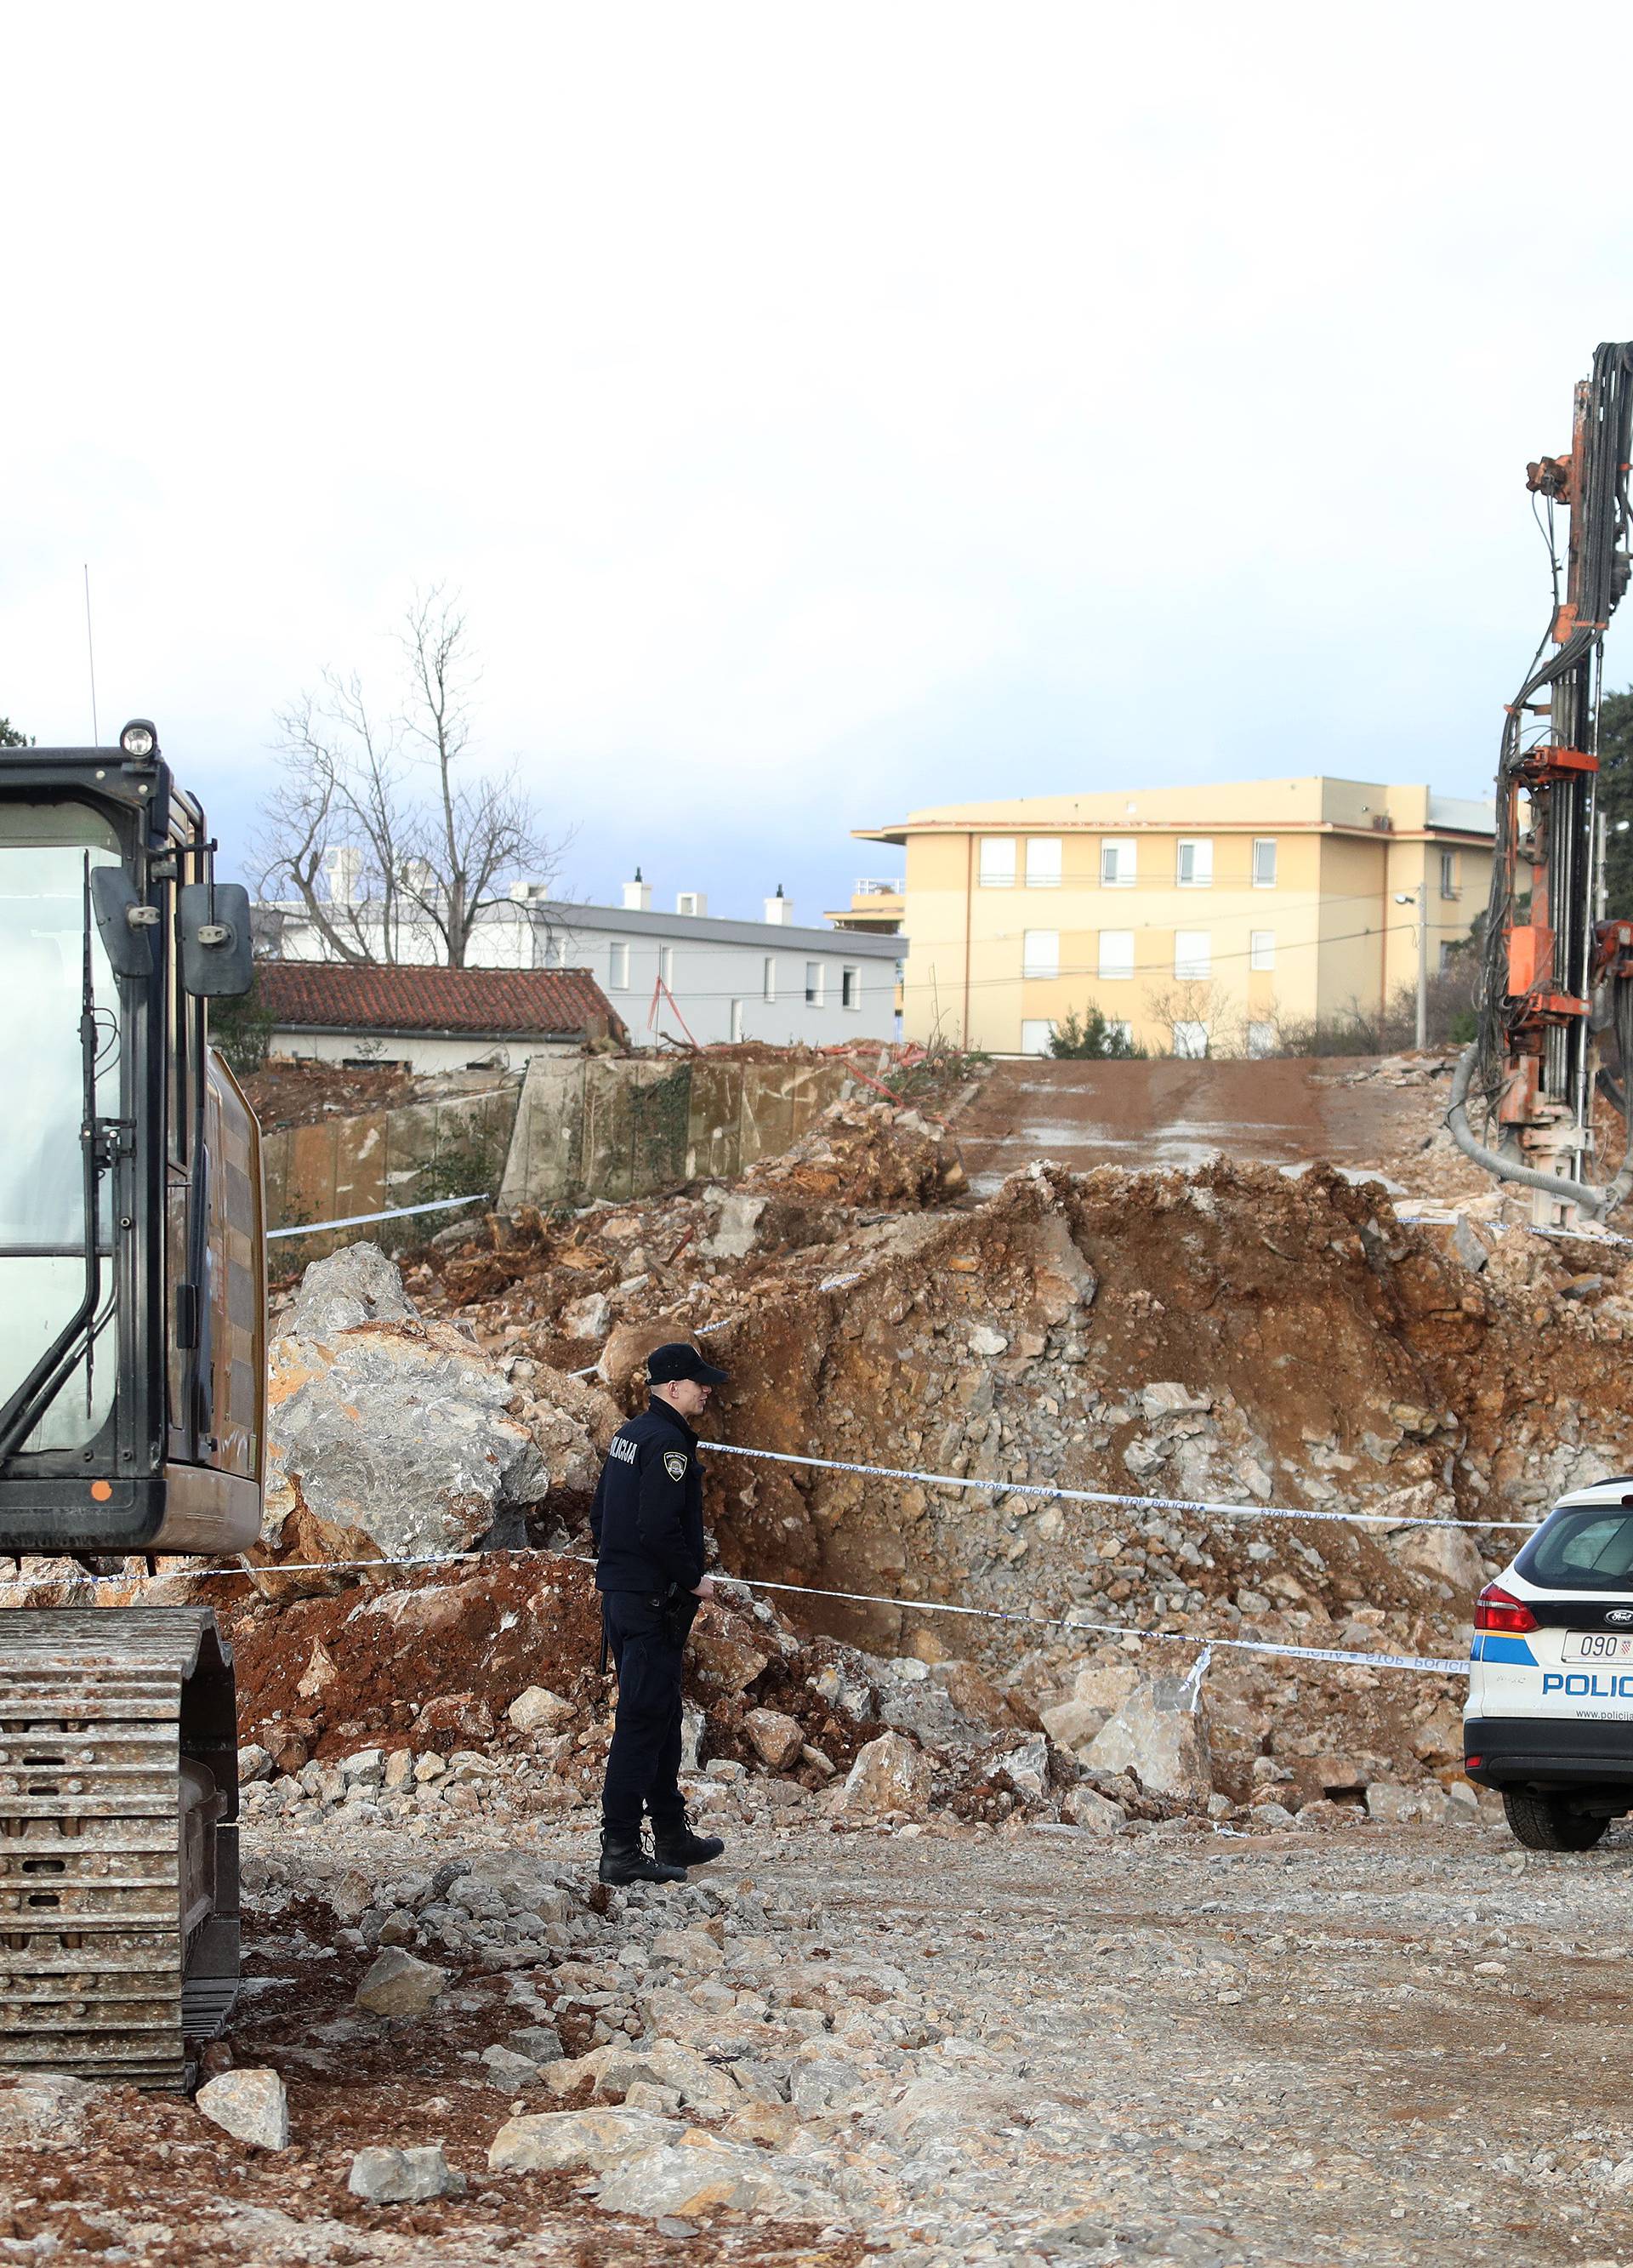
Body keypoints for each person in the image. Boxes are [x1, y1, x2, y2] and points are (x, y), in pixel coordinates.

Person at [590, 1340, 731, 1886]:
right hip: (650, 1603)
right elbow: (656, 1527)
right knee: (642, 1723)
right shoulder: (669, 1444)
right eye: (700, 1383)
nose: (707, 1390)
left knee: (663, 1716)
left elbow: (601, 1513)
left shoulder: (628, 1436)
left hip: (625, 1599)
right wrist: (693, 1579)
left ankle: (670, 1831)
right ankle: (621, 1847)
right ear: (673, 1388)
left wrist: (618, 1570)